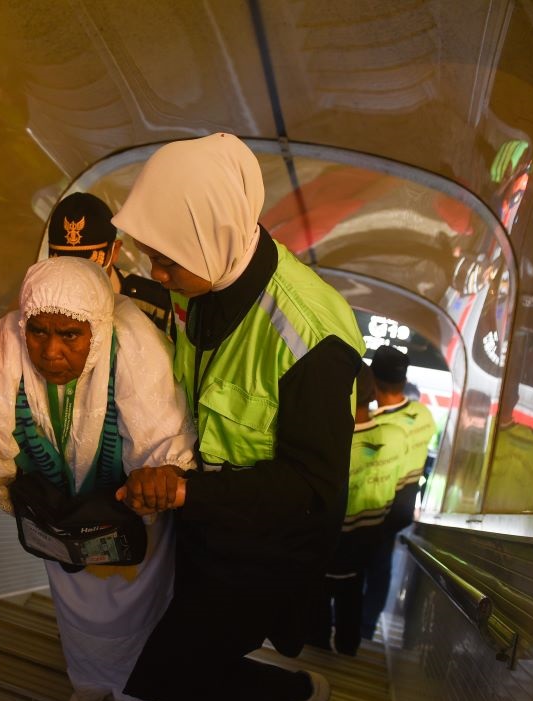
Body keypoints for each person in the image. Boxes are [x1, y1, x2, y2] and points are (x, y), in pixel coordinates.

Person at [111, 133, 366, 701]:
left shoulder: (311, 336)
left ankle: (296, 691)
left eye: (167, 258)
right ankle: (297, 691)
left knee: (161, 679)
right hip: (208, 529)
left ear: (212, 234)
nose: (159, 270)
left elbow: (312, 489)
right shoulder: (203, 281)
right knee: (198, 673)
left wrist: (185, 494)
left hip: (269, 550)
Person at [0, 256, 197, 701]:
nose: (50, 351)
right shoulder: (7, 341)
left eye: (70, 335)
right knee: (78, 620)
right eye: (39, 331)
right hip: (57, 520)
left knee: (144, 623)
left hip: (135, 537)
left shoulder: (134, 341)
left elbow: (164, 435)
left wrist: (163, 472)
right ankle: (90, 684)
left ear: (97, 328)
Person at [307, 365, 406, 656]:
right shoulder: (396, 437)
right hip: (366, 544)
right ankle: (348, 650)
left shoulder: (329, 444)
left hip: (327, 544)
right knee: (353, 598)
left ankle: (319, 655)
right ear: (373, 393)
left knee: (319, 602)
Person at [360, 346, 436, 640]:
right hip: (400, 510)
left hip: (370, 508)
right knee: (380, 568)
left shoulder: (377, 426)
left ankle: (347, 626)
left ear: (372, 380)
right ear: (403, 382)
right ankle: (366, 628)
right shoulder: (424, 416)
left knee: (352, 571)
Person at [47, 192, 174, 334]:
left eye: (89, 265)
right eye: (65, 265)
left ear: (115, 251)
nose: (76, 276)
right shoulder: (38, 305)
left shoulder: (156, 303)